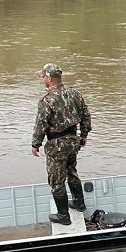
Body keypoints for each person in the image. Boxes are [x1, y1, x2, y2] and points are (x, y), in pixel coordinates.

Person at [31, 63, 92, 225]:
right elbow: (86, 115)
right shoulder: (75, 94)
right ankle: (79, 203)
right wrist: (83, 135)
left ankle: (63, 215)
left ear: (49, 79)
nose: (42, 80)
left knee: (56, 180)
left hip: (56, 145)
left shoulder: (47, 100)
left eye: (43, 77)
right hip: (73, 141)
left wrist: (35, 144)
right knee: (72, 171)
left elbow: (41, 124)